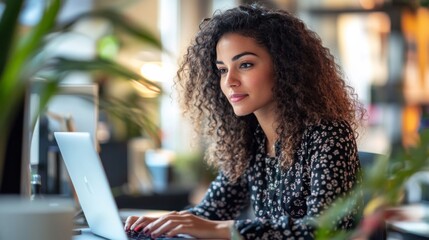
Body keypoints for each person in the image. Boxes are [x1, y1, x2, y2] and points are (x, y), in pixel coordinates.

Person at [125, 3, 366, 239]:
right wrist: (163, 225)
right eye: (222, 70)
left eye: (245, 65)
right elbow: (212, 212)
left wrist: (225, 230)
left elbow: (324, 231)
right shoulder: (250, 138)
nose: (229, 81)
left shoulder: (329, 134)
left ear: (285, 67)